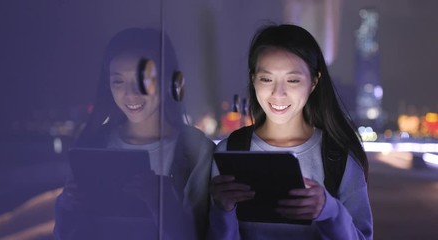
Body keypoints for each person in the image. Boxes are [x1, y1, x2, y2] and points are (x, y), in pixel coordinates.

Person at [208, 24, 373, 240]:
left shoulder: (338, 156)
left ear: (314, 82)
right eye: (266, 79)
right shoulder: (230, 151)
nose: (278, 93)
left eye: (293, 80)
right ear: (253, 79)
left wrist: (329, 210)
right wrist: (223, 211)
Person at [54, 27, 215, 240]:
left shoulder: (196, 151)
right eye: (118, 81)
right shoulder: (95, 145)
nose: (130, 93)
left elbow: (211, 233)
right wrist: (68, 208)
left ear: (168, 80)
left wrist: (164, 206)